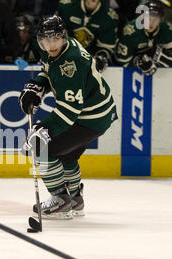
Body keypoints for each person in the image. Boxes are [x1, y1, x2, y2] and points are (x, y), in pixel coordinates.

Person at [19, 14, 118, 219]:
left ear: (63, 37)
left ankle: (60, 200)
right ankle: (75, 199)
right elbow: (48, 72)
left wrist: (43, 129)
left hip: (89, 118)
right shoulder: (58, 50)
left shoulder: (71, 63)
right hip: (95, 115)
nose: (51, 44)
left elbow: (69, 111)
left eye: (55, 39)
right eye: (46, 39)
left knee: (41, 148)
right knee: (67, 154)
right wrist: (38, 86)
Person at [114, 0, 172, 76]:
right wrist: (137, 62)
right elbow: (121, 61)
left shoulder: (167, 30)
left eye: (155, 19)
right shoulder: (131, 31)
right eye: (148, 18)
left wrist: (171, 57)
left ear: (160, 20)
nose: (151, 23)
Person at [57, 0, 119, 73]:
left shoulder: (109, 17)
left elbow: (106, 47)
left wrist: (99, 60)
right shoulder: (66, 6)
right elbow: (57, 37)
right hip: (66, 56)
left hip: (90, 59)